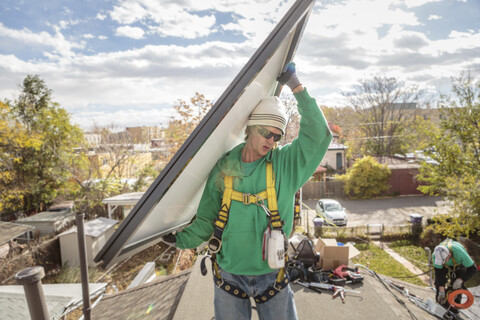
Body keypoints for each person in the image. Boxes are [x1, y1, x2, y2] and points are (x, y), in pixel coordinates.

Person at [162, 62, 332, 320]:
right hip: (230, 275)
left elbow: (319, 135)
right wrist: (179, 240)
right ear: (252, 127)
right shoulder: (223, 167)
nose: (271, 141)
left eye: (277, 136)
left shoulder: (286, 165)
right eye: (267, 133)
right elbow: (208, 220)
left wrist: (296, 86)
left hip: (272, 275)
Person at [432, 239, 477, 313]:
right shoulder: (436, 255)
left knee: (456, 285)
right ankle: (441, 302)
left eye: (443, 261)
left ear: (449, 256)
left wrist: (460, 279)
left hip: (458, 263)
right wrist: (441, 291)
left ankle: (454, 307)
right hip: (446, 263)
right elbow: (439, 274)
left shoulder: (459, 253)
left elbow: (473, 269)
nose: (442, 263)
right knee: (439, 283)